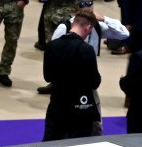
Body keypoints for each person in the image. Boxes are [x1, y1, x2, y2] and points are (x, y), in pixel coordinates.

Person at [42, 9, 101, 139]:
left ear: (73, 23)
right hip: (80, 108)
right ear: (88, 27)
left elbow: (47, 76)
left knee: (51, 144)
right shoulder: (86, 49)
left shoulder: (52, 45)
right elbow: (94, 82)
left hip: (57, 105)